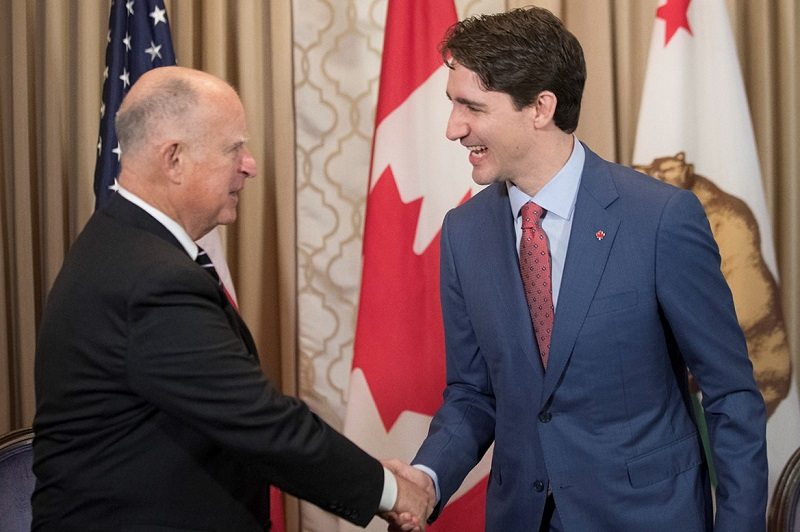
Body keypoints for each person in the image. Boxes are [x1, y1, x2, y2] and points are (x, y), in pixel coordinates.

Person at [385, 7, 767, 532]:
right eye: (452, 105)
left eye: (471, 106)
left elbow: (730, 394)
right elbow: (474, 394)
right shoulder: (463, 233)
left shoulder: (659, 219)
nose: (453, 128)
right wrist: (428, 477)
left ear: (540, 107)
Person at [32, 66, 432, 532]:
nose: (250, 164)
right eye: (233, 148)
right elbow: (261, 423)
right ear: (174, 160)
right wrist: (391, 490)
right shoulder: (152, 280)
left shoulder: (123, 242)